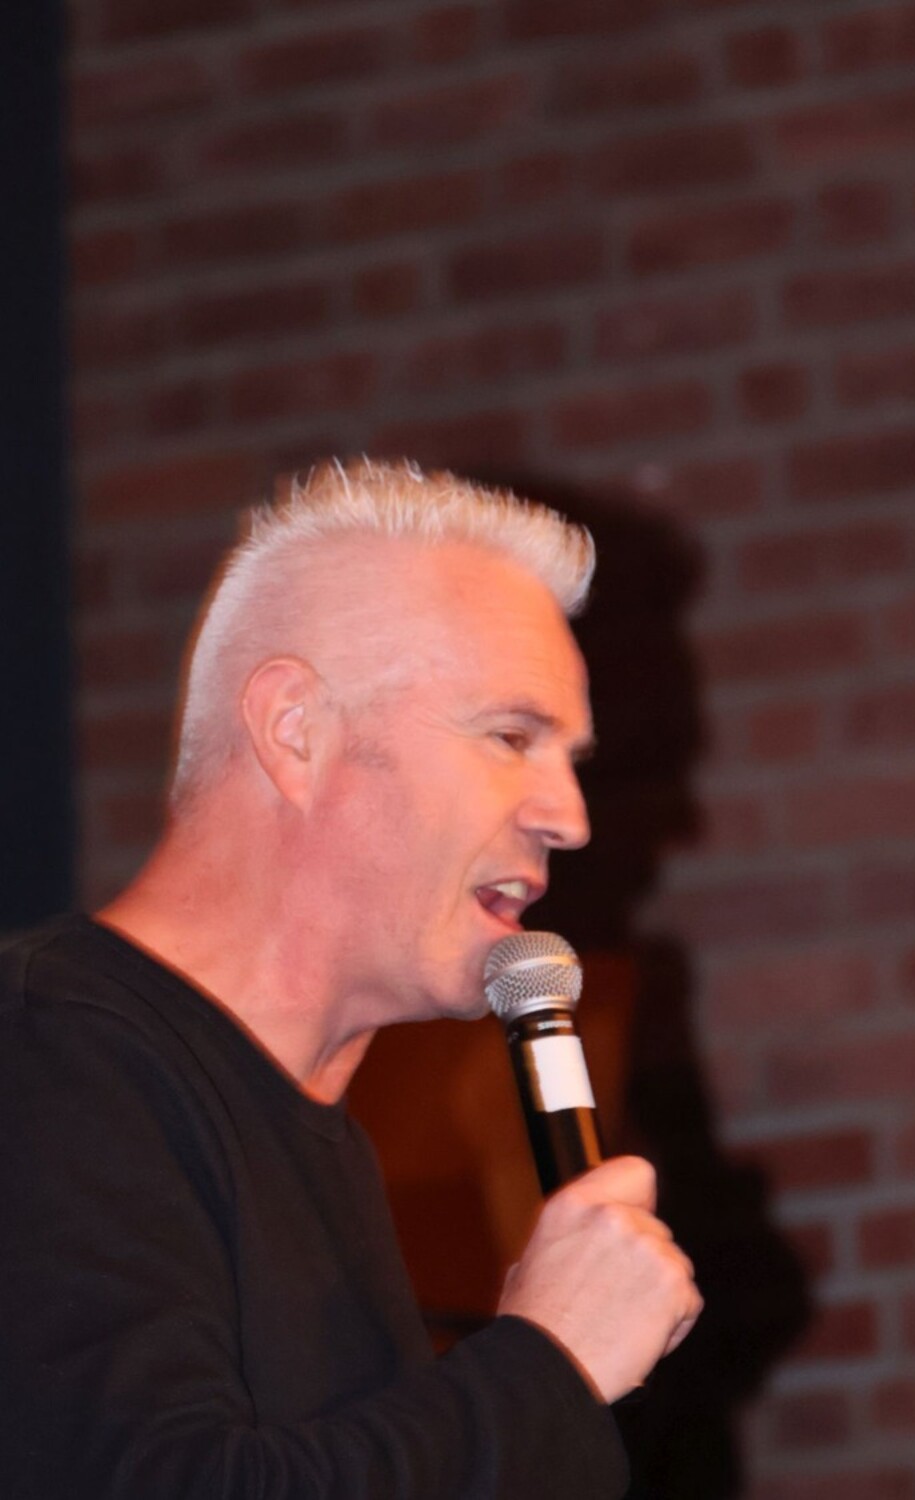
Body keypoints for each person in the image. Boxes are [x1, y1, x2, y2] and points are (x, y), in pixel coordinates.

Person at [0, 459, 702, 1499]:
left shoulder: (315, 1145)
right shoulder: (47, 1057)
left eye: (571, 760)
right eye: (510, 736)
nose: (569, 818)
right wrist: (548, 1361)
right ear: (296, 731)